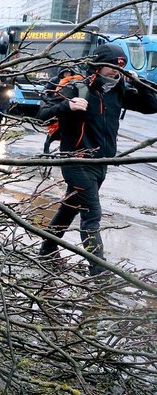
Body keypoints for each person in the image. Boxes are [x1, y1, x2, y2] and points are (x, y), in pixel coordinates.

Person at [36, 44, 157, 277]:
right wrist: (67, 105)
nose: (117, 72)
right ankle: (99, 271)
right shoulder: (77, 87)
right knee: (91, 214)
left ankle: (47, 250)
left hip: (101, 162)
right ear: (98, 66)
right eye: (113, 67)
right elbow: (42, 114)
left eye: (121, 67)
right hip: (76, 160)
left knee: (69, 207)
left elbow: (152, 106)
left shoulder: (118, 91)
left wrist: (139, 84)